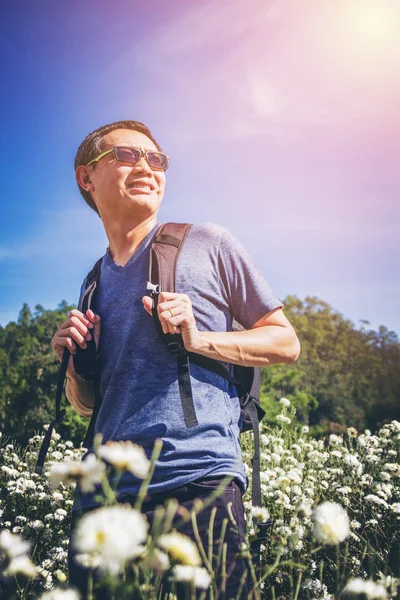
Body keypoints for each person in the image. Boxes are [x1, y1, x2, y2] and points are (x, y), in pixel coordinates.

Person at [50, 120, 301, 599]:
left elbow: (285, 343)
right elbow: (86, 406)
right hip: (103, 501)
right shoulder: (91, 284)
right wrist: (77, 362)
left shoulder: (209, 242)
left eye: (157, 159)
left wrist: (200, 339)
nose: (146, 166)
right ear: (87, 178)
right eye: (126, 155)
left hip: (199, 482)